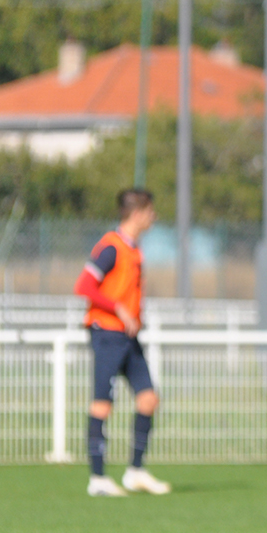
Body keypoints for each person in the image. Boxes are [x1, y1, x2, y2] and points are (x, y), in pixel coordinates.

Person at [72, 188, 171, 497]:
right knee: (102, 404)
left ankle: (135, 472)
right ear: (138, 213)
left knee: (148, 399)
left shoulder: (133, 249)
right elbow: (84, 285)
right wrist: (118, 307)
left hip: (128, 337)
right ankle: (98, 478)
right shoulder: (111, 247)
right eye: (151, 211)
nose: (153, 217)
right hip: (107, 334)